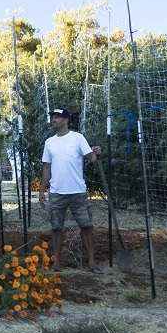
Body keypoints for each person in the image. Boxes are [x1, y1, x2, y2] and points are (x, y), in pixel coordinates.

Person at [38, 107, 103, 273]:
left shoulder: (78, 138)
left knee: (86, 226)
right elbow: (47, 167)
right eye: (52, 117)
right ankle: (57, 264)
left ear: (66, 120)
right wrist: (42, 190)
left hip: (77, 191)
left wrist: (96, 153)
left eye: (57, 117)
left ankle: (92, 263)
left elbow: (92, 158)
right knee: (56, 228)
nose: (53, 120)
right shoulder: (49, 142)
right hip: (57, 192)